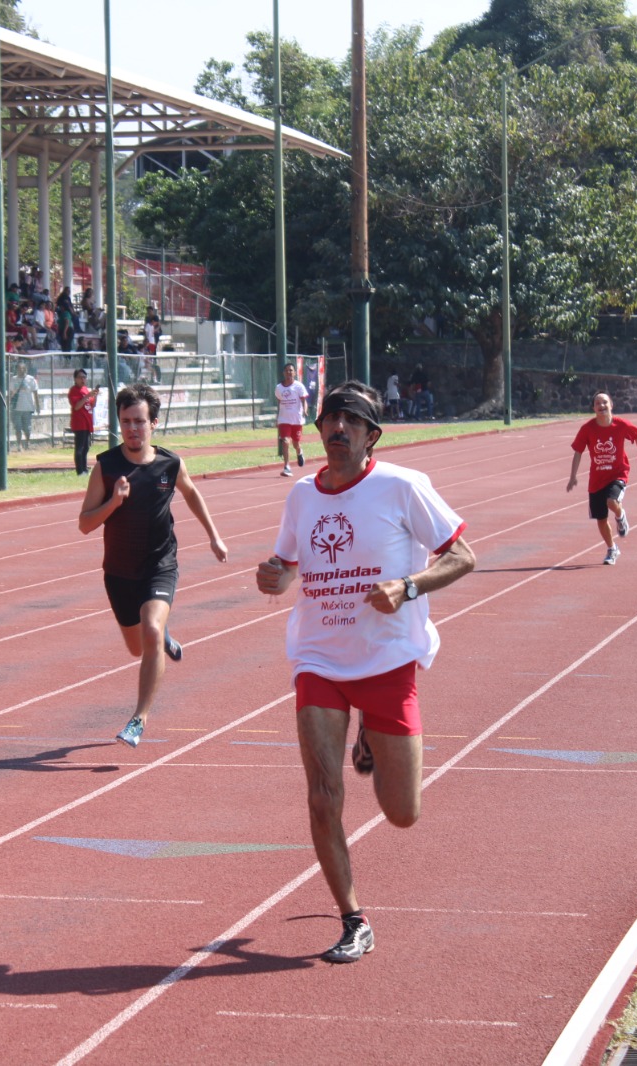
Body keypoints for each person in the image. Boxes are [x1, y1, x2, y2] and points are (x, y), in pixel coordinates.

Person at [254, 381, 475, 964]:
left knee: (402, 814)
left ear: (371, 435)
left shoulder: (403, 487)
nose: (338, 429)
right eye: (330, 418)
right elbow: (287, 563)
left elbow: (463, 556)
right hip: (319, 659)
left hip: (386, 662)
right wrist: (274, 575)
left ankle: (370, 736)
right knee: (323, 796)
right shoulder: (302, 496)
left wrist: (408, 587)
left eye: (351, 421)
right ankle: (353, 918)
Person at [78, 383, 228, 748]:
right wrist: (114, 502)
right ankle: (161, 637)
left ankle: (138, 719)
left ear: (154, 424)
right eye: (126, 422)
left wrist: (214, 536)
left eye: (139, 421)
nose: (132, 429)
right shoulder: (106, 467)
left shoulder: (169, 464)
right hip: (119, 573)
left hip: (160, 564)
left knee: (151, 629)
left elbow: (191, 492)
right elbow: (84, 524)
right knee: (139, 647)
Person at [566, 392, 637, 566]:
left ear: (611, 405)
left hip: (617, 474)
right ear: (593, 408)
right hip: (597, 479)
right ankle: (612, 549)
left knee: (612, 501)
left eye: (605, 402)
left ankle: (620, 516)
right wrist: (573, 476)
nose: (601, 406)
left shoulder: (621, 425)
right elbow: (578, 451)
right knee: (601, 519)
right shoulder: (587, 428)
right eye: (597, 403)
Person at [275, 360, 310, 476]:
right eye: (286, 371)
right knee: (285, 441)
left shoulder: (299, 386)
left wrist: (305, 410)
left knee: (296, 444)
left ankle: (299, 452)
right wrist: (277, 418)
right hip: (284, 420)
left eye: (291, 370)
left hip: (296, 420)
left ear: (294, 373)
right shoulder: (279, 388)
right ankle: (287, 466)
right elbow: (279, 403)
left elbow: (304, 401)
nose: (289, 372)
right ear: (283, 373)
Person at [68, 367, 96, 476]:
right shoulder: (74, 391)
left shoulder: (85, 389)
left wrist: (95, 396)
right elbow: (77, 406)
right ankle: (80, 471)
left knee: (86, 447)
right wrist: (88, 396)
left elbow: (92, 405)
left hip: (87, 423)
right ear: (75, 379)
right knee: (80, 448)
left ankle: (84, 469)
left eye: (84, 377)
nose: (83, 379)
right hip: (79, 423)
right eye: (80, 377)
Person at [10, 359, 40, 450]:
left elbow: (35, 393)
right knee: (18, 428)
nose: (21, 370)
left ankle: (27, 442)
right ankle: (19, 445)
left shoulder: (31, 379)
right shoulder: (13, 379)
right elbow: (11, 394)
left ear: (25, 369)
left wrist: (37, 406)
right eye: (19, 369)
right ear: (16, 370)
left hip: (27, 407)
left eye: (23, 368)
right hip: (16, 408)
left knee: (27, 428)